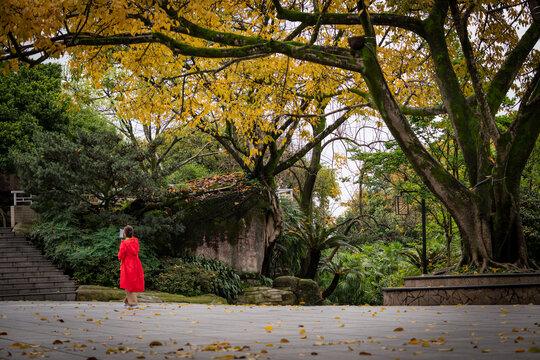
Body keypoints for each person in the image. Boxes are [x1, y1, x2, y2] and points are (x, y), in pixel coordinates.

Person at [118, 225, 145, 307]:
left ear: (125, 233)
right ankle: (126, 302)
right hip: (136, 263)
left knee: (129, 282)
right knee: (131, 281)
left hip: (128, 264)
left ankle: (133, 303)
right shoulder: (136, 241)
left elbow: (121, 255)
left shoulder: (124, 243)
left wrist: (121, 245)